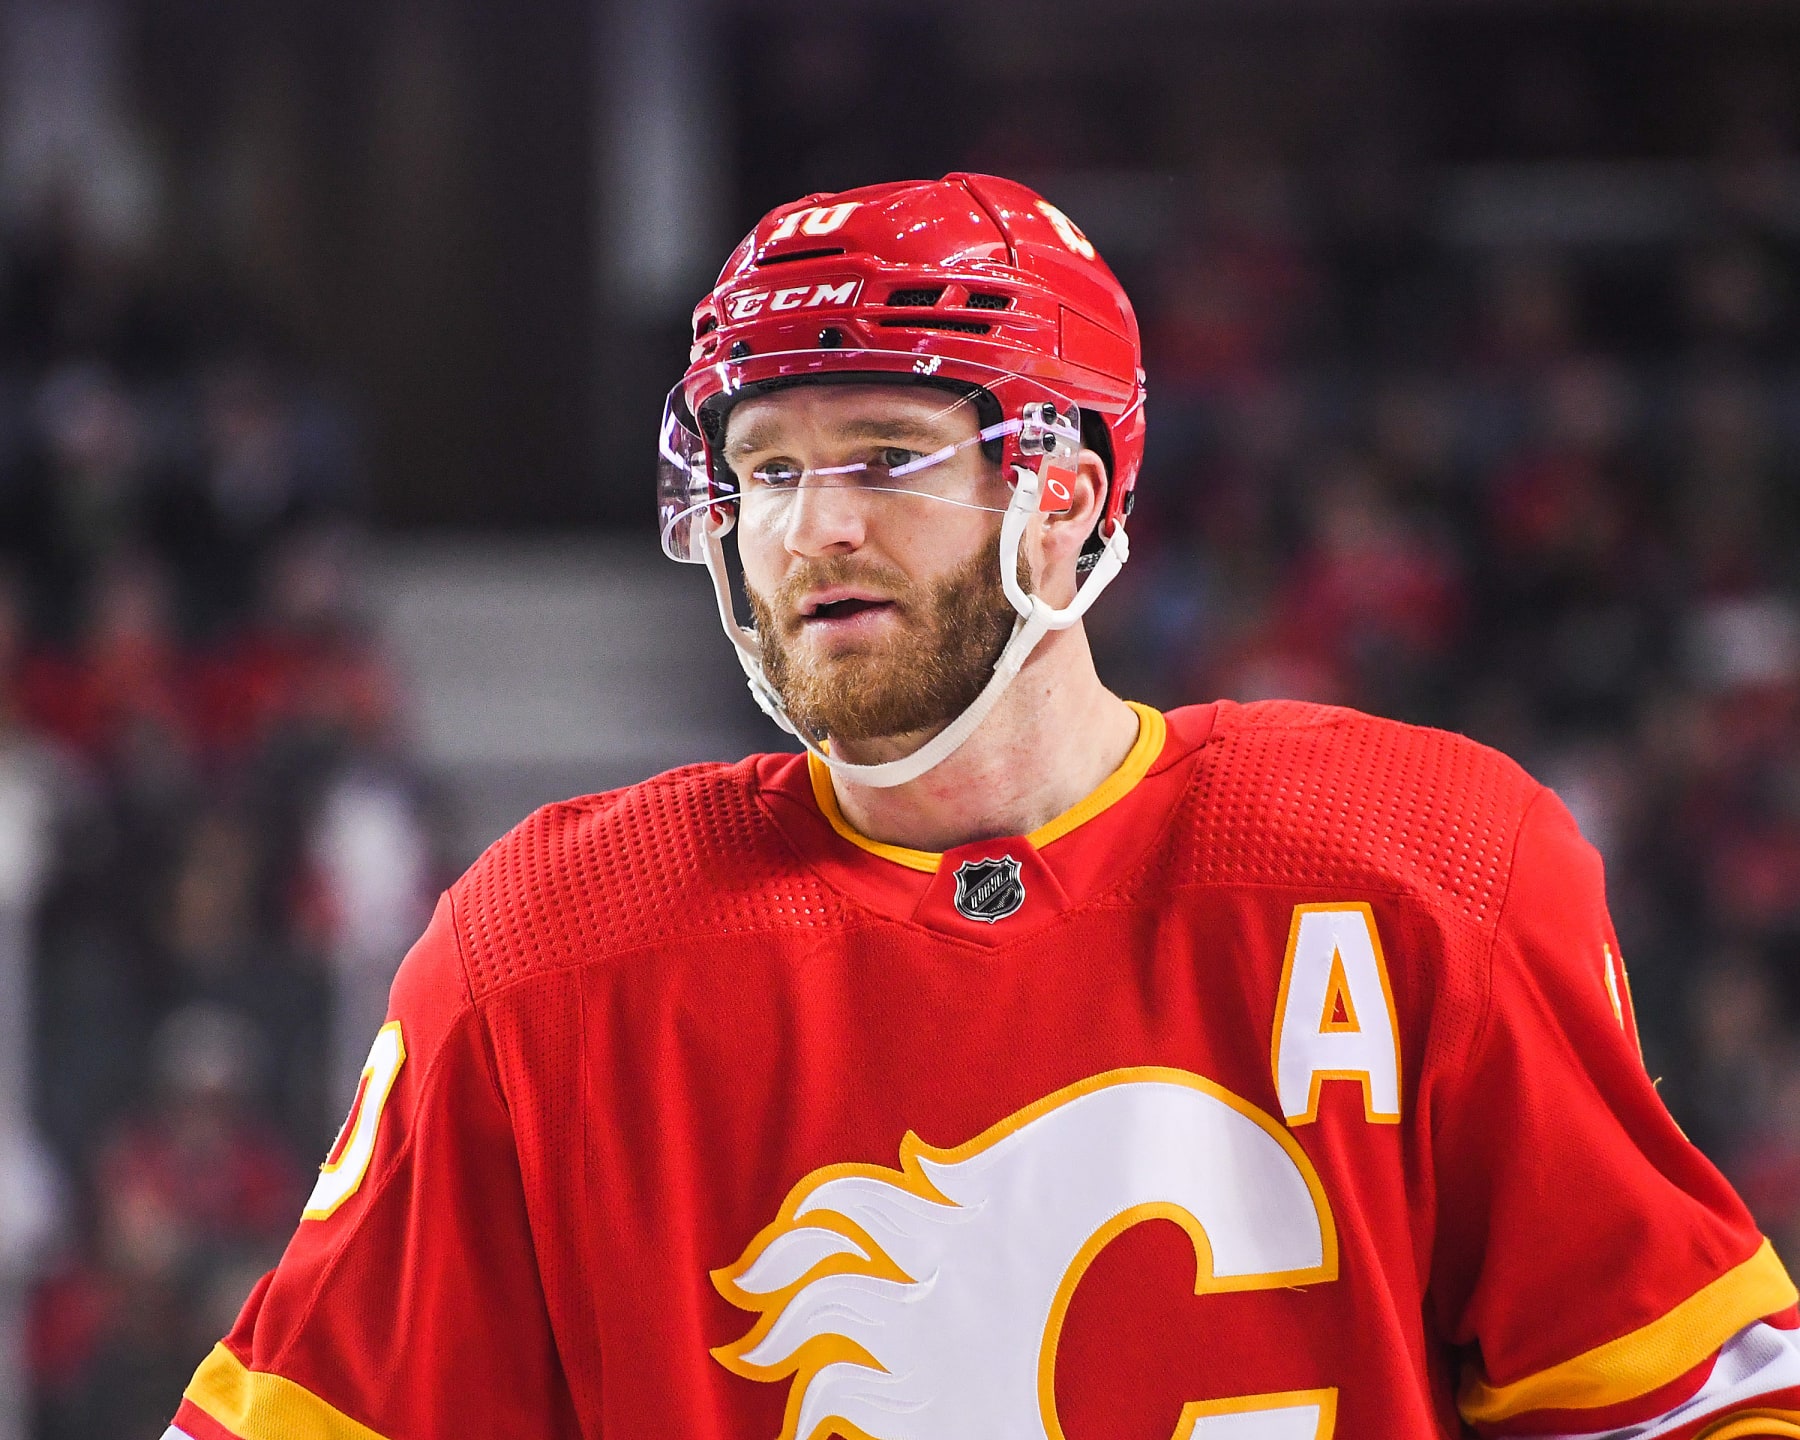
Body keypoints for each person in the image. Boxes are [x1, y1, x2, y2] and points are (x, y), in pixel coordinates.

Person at [165, 176, 1800, 1440]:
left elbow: (1690, 1400)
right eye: (768, 470)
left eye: (881, 457)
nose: (809, 530)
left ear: (1065, 494)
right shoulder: (548, 954)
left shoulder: (1424, 869)